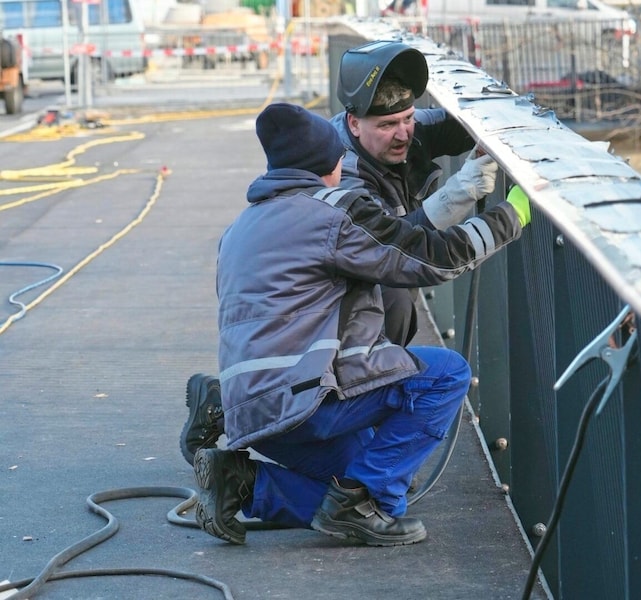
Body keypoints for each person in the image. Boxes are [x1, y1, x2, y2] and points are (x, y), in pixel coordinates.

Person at [192, 102, 531, 547]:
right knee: (446, 376)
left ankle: (244, 482)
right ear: (331, 163)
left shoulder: (241, 227)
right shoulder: (331, 212)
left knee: (355, 481)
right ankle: (364, 501)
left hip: (251, 411)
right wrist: (515, 213)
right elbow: (431, 257)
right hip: (304, 403)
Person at [180, 40, 499, 466]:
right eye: (388, 125)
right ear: (353, 124)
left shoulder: (262, 208)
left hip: (271, 366)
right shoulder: (336, 181)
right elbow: (404, 252)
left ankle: (241, 465)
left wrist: (494, 116)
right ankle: (362, 434)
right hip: (305, 372)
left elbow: (451, 125)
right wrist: (481, 203)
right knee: (398, 304)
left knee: (343, 475)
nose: (404, 132)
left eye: (408, 119)